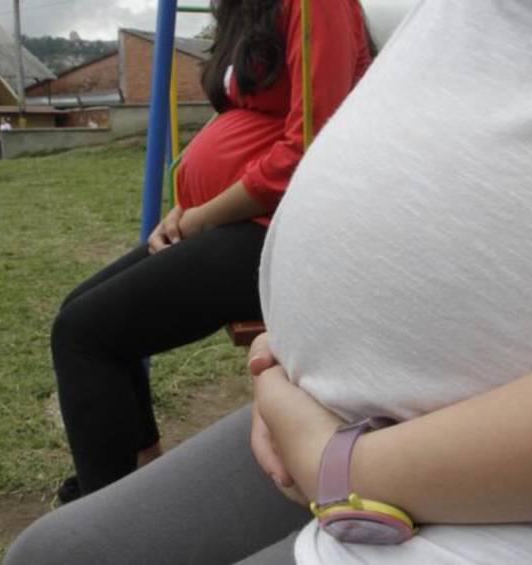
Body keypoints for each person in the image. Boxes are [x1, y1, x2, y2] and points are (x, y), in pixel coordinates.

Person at [6, 0, 532, 563]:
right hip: (320, 398)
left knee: (89, 333)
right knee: (53, 544)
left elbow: (304, 138)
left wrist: (345, 465)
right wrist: (310, 331)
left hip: (512, 484)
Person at [50, 0, 374, 502]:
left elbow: (310, 144)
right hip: (235, 220)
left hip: (283, 234)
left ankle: (105, 512)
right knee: (78, 313)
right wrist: (185, 210)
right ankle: (135, 467)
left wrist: (203, 215)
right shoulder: (253, 11)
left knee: (84, 334)